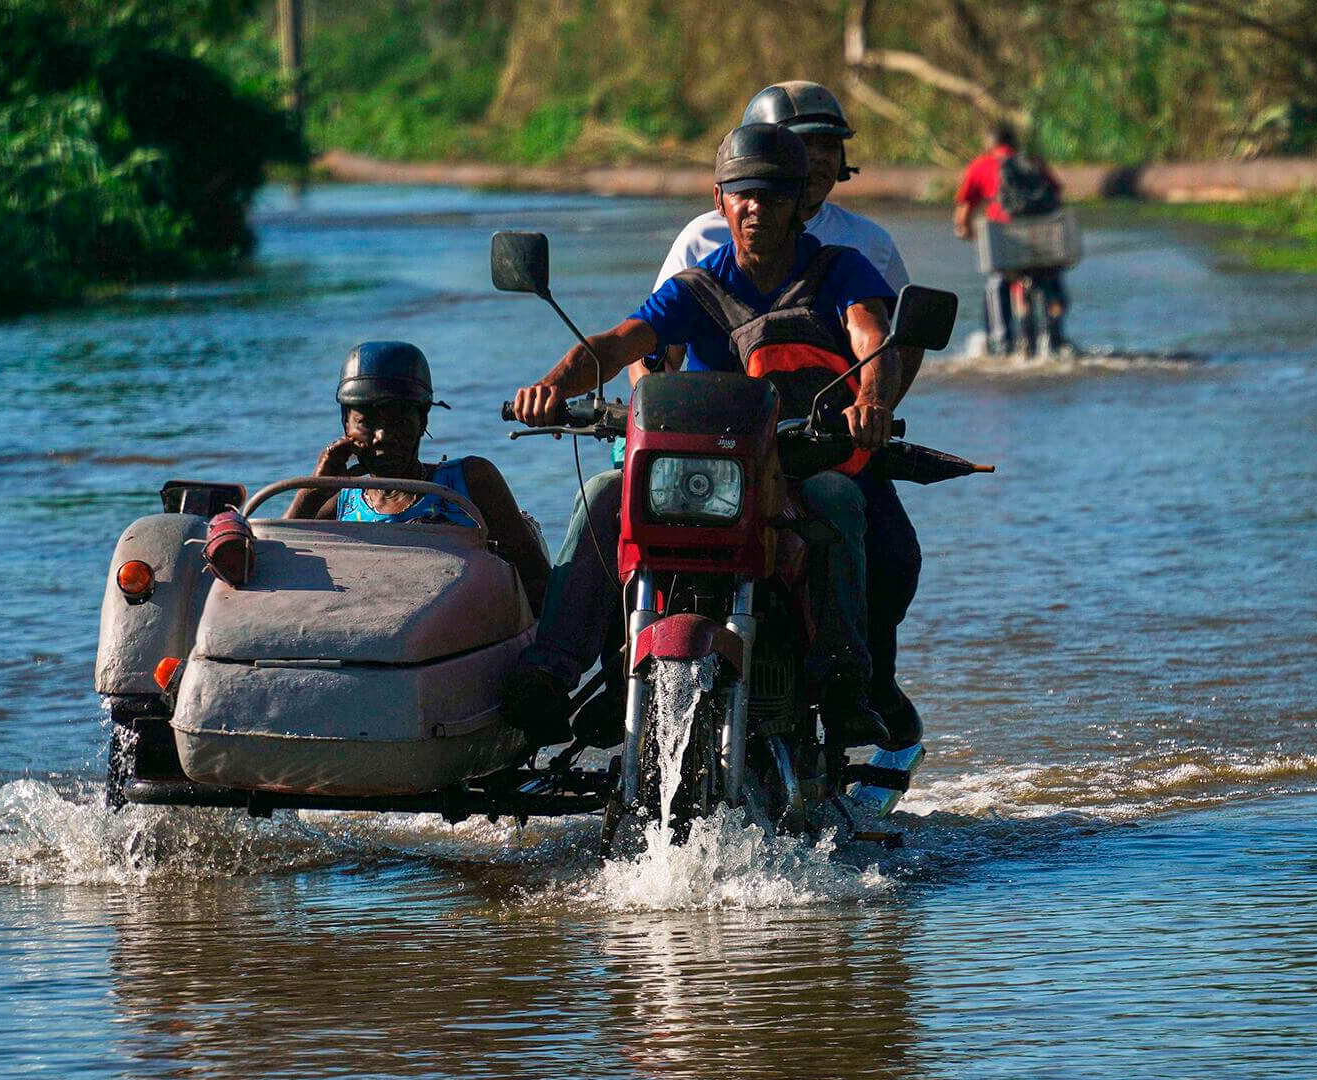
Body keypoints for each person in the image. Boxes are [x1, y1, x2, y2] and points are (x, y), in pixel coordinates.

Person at [503, 123, 899, 750]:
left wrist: (871, 400)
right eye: (742, 194)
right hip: (706, 474)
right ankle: (552, 674)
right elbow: (619, 343)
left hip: (795, 464)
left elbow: (869, 334)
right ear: (720, 201)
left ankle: (845, 681)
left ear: (799, 201)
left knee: (840, 501)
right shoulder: (700, 285)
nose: (756, 208)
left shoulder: (837, 270)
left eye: (772, 195)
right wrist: (552, 386)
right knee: (604, 494)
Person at [648, 81, 925, 750]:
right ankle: (615, 680)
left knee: (891, 554)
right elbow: (654, 342)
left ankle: (864, 679)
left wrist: (871, 410)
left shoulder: (862, 245)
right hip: (710, 453)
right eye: (804, 147)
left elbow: (893, 340)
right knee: (624, 536)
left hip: (821, 443)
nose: (817, 161)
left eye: (829, 148)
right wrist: (642, 419)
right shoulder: (702, 239)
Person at [287, 341, 549, 610]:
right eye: (365, 422)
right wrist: (313, 490)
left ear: (423, 420)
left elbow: (538, 583)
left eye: (398, 420)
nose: (383, 437)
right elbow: (275, 569)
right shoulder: (339, 506)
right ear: (345, 423)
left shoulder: (468, 483)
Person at [954, 123, 1069, 353]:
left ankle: (1002, 341)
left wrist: (965, 231)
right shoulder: (1034, 163)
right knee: (1049, 277)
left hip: (1005, 239)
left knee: (998, 280)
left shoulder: (981, 166)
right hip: (1043, 238)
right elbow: (1057, 195)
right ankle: (1055, 333)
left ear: (990, 143)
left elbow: (964, 212)